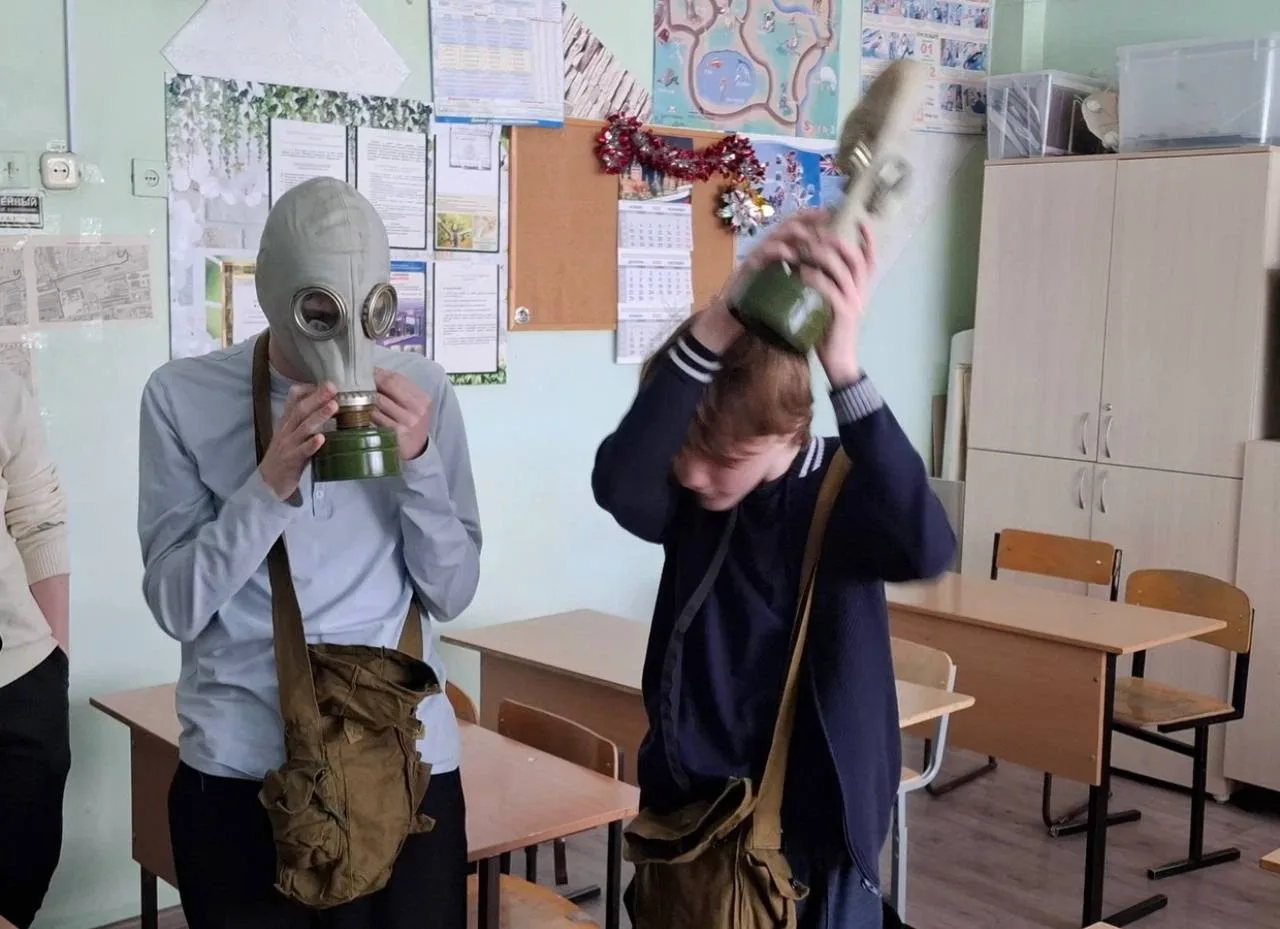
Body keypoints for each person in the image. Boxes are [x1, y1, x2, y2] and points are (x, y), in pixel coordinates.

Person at [592, 210, 955, 928]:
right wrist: (719, 321)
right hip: (697, 819)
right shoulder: (695, 506)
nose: (692, 475)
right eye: (683, 455)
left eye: (722, 459)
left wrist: (843, 367)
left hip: (813, 839)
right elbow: (620, 482)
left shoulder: (840, 492)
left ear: (787, 429)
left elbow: (926, 546)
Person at [137, 179, 482, 929]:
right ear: (271, 293)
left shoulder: (422, 390)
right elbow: (176, 605)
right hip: (246, 773)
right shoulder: (182, 397)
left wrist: (419, 463)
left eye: (369, 312)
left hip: (405, 766)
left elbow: (452, 592)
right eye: (319, 313)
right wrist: (267, 486)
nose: (346, 340)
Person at [0, 367, 72, 929]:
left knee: (17, 886)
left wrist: (55, 658)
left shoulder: (3, 387)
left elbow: (39, 522)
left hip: (20, 676)